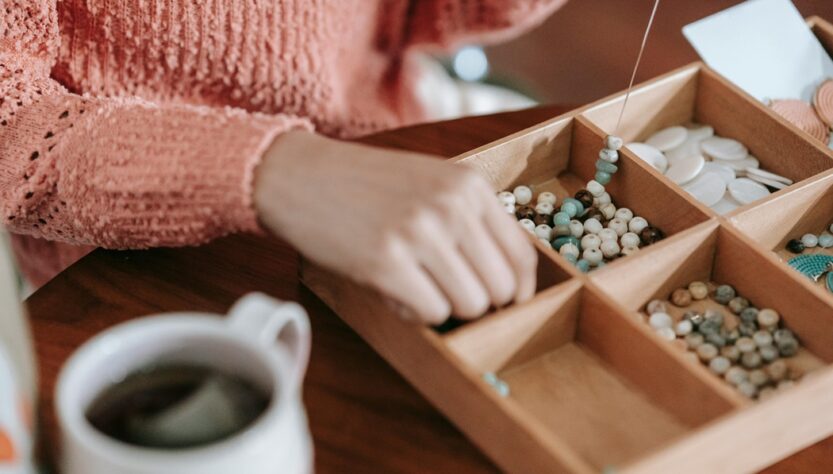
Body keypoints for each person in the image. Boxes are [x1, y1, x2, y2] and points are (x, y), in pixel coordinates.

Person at [1, 0, 565, 324]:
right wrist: (274, 168)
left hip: (397, 124)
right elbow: (12, 124)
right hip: (131, 261)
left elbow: (414, 10)